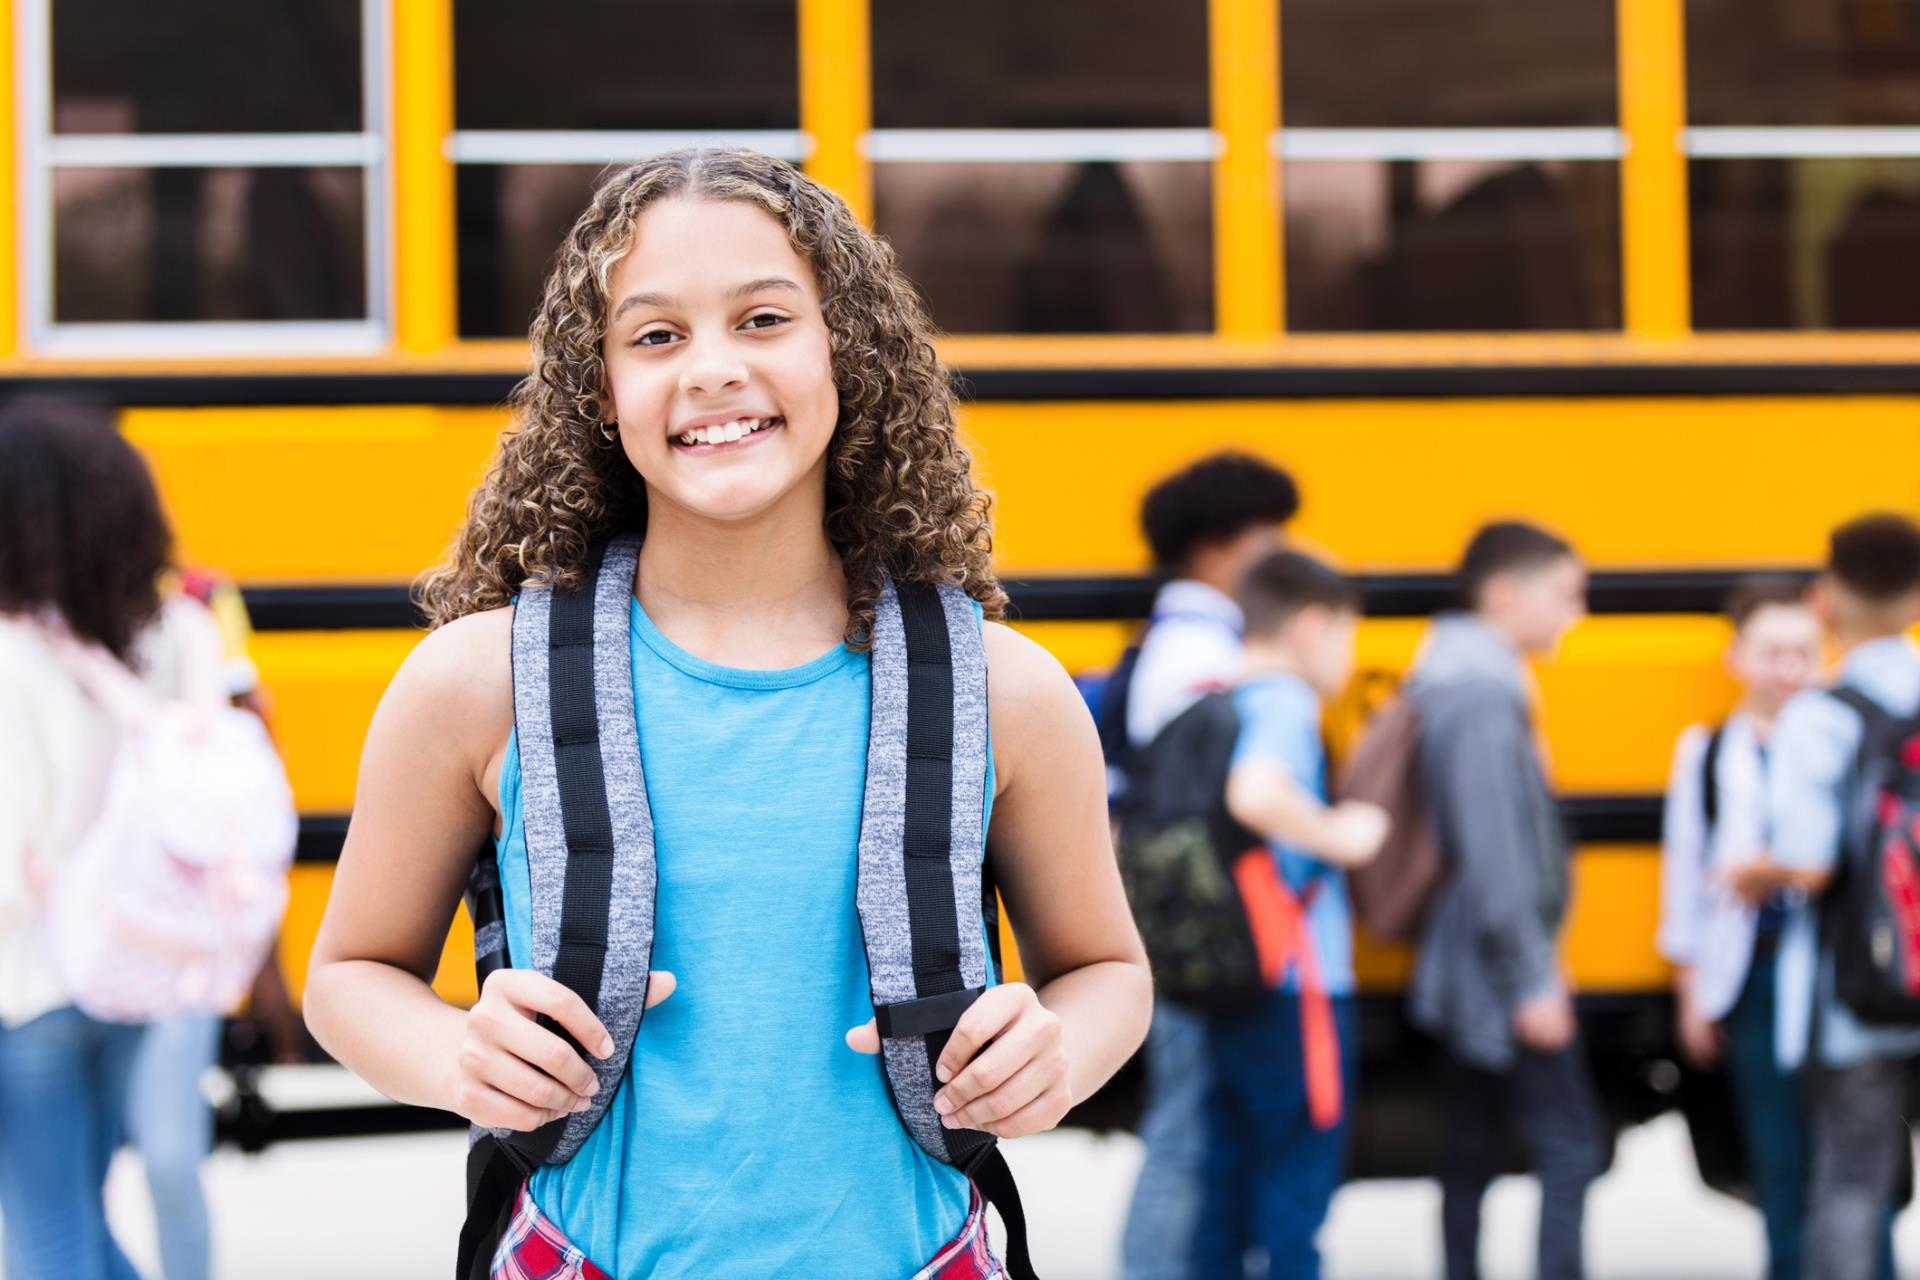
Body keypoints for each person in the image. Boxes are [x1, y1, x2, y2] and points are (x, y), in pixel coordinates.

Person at [302, 148, 1152, 1279]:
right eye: (655, 336)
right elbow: (349, 973)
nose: (711, 369)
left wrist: (1060, 1050)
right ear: (598, 390)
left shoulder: (1006, 692)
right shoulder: (477, 683)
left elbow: (1108, 971)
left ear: (846, 350)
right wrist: (458, 1050)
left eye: (763, 319)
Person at [0, 405, 219, 1280]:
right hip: (134, 971)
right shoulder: (175, 636)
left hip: (28, 983)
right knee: (76, 1226)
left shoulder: (15, 652)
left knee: (48, 1239)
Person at [1408, 521, 1606, 1280]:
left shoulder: (1467, 677)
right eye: (1565, 594)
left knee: (1475, 1142)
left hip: (1473, 954)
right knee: (1571, 1144)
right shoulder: (1482, 691)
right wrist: (1532, 975)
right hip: (1495, 962)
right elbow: (1493, 848)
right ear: (1504, 593)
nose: (1574, 614)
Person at [1118, 451, 1299, 1280]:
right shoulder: (1195, 649)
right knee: (1185, 1128)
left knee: (1197, 1122)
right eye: (1266, 538)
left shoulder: (1183, 638)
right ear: (1216, 547)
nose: (1278, 555)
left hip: (1188, 918)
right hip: (1194, 925)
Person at [1730, 513, 1920, 1280]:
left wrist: (1753, 873)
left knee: (1849, 1179)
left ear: (1827, 599)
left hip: (1857, 994)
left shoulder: (1819, 715)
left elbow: (1807, 865)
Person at [1192, 550, 1386, 1278]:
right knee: (1296, 1184)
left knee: (1228, 1179)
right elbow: (1257, 794)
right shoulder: (1284, 702)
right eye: (1349, 635)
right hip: (1298, 978)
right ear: (1313, 626)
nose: (1348, 656)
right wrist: (1348, 834)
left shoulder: (1218, 696)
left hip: (1230, 974)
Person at [1658, 578, 1822, 1279]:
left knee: (1851, 1157)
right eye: (1771, 652)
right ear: (1736, 657)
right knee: (1777, 1157)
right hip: (1751, 970)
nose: (1787, 670)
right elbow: (1685, 876)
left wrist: (1772, 870)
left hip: (1833, 974)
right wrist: (1692, 990)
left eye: (1803, 653)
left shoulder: (1837, 742)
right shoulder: (1707, 752)